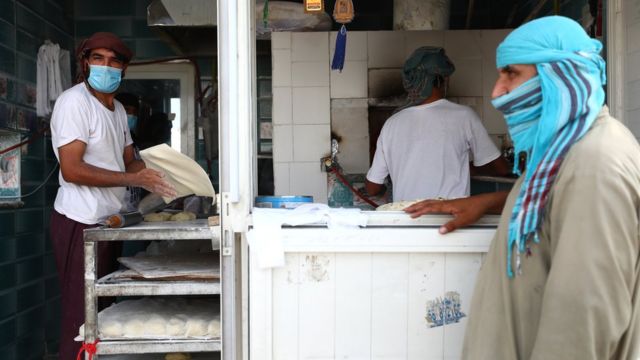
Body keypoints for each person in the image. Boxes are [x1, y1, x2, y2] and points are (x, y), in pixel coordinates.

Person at [406, 16, 640, 359]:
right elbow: (555, 203)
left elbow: (580, 323)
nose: (497, 92)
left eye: (511, 74)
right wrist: (487, 202)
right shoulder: (569, 151)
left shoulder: (595, 163)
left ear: (560, 76)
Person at [49, 32, 176, 360]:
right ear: (85, 63)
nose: (106, 66)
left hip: (107, 222)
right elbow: (72, 169)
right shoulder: (74, 103)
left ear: (123, 69)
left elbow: (128, 160)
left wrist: (164, 173)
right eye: (98, 59)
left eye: (114, 61)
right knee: (82, 321)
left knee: (104, 315)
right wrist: (133, 176)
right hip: (80, 223)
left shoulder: (117, 109)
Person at [365, 46, 510, 202]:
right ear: (440, 80)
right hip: (450, 219)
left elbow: (372, 188)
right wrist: (467, 167)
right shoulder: (464, 116)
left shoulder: (391, 123)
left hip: (406, 221)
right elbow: (501, 169)